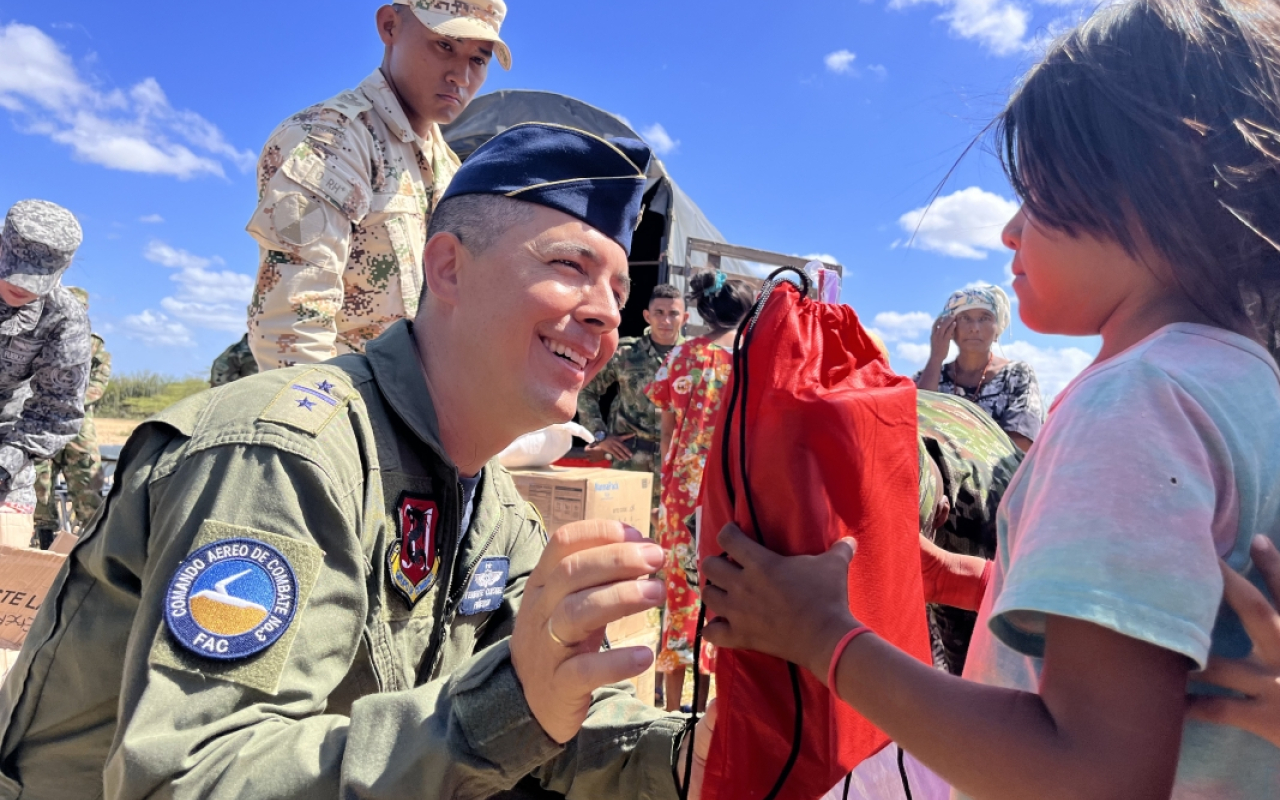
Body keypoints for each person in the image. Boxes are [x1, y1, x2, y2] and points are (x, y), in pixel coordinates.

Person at [0, 125, 714, 799]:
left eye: (620, 292)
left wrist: (699, 756)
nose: (605, 315)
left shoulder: (493, 509)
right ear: (448, 268)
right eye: (569, 267)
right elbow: (190, 779)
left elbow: (564, 712)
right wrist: (506, 708)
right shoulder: (285, 454)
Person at [699, 1, 1280, 798]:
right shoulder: (1248, 383)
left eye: (1037, 193)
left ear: (1159, 182)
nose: (1009, 230)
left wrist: (822, 637)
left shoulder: (1134, 402)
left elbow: (1091, 775)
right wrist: (974, 578)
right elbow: (1166, 616)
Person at [246, 0, 510, 370]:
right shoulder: (332, 142)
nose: (461, 76)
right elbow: (291, 330)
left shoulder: (450, 169)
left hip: (420, 414)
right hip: (348, 411)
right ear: (390, 26)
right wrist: (324, 423)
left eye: (478, 60)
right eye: (445, 45)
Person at [645, 271, 754, 711]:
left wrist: (669, 485)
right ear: (745, 313)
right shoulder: (750, 360)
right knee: (725, 590)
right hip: (732, 494)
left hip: (683, 493)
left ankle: (671, 709)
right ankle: (712, 709)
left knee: (679, 591)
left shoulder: (681, 357)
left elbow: (667, 429)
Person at [0, 200, 92, 544]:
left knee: (8, 557)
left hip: (6, 438)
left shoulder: (63, 317)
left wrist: (7, 462)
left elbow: (57, 410)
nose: (24, 287)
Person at [915, 391, 1022, 675]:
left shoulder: (981, 530)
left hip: (1010, 527)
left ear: (941, 512)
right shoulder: (886, 414)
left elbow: (976, 685)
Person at [577, 283, 687, 528]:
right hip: (631, 462)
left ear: (685, 317)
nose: (666, 320)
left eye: (673, 313)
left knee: (672, 539)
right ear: (647, 316)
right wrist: (600, 435)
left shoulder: (694, 358)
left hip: (678, 464)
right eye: (659, 313)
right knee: (626, 533)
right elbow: (586, 391)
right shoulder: (626, 353)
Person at [914, 285, 1043, 451]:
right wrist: (936, 358)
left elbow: (1021, 443)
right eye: (965, 318)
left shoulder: (1017, 375)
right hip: (936, 473)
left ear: (998, 329)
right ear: (951, 328)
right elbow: (916, 425)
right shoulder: (930, 376)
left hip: (1001, 475)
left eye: (984, 318)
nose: (974, 327)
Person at [33, 286, 110, 545]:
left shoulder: (94, 343)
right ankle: (42, 541)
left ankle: (91, 547)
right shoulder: (36, 334)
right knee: (39, 481)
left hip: (78, 421)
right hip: (41, 418)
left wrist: (75, 400)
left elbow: (100, 379)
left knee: (87, 478)